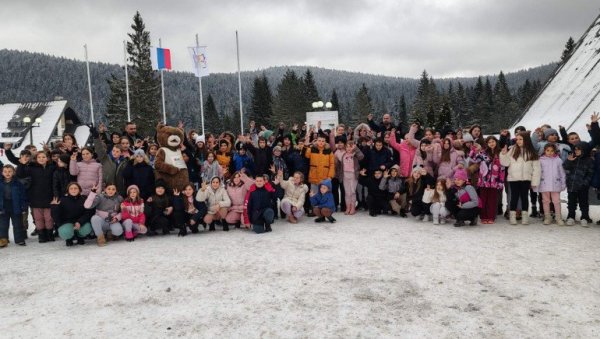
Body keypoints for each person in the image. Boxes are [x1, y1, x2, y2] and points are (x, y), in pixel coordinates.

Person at [500, 132, 541, 225]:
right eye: (517, 139)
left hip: (526, 179)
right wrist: (503, 154)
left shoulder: (531, 152)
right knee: (514, 197)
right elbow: (505, 163)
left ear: (526, 140)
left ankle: (525, 216)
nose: (518, 141)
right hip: (513, 179)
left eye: (520, 139)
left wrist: (534, 181)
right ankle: (512, 216)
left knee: (524, 197)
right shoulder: (512, 150)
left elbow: (536, 168)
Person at [17, 151, 55, 242]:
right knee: (38, 218)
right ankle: (41, 235)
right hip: (35, 197)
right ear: (36, 159)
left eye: (43, 157)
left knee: (49, 217)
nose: (41, 159)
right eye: (39, 157)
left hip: (49, 197)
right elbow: (20, 174)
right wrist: (21, 164)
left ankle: (49, 233)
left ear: (47, 158)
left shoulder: (52, 167)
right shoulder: (31, 168)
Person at [472, 136, 505, 224]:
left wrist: (501, 182)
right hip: (484, 180)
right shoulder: (483, 153)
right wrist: (474, 150)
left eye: (493, 141)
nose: (491, 143)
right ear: (487, 144)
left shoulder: (500, 153)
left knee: (492, 200)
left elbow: (502, 169)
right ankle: (483, 216)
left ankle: (490, 217)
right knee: (483, 199)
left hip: (495, 181)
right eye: (489, 142)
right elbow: (475, 159)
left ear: (496, 142)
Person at [563, 142, 594, 226]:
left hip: (583, 187)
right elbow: (565, 167)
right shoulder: (572, 158)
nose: (576, 151)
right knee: (571, 203)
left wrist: (585, 183)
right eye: (575, 149)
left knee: (583, 202)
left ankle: (584, 217)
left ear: (584, 150)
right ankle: (571, 217)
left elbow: (590, 173)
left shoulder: (589, 160)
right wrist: (569, 161)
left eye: (578, 149)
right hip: (571, 185)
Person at [538, 144, 566, 226]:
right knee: (545, 201)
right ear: (544, 151)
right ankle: (547, 217)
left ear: (555, 151)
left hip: (555, 184)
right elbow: (537, 172)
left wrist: (563, 184)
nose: (550, 152)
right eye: (548, 150)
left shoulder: (558, 160)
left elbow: (562, 173)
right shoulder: (540, 160)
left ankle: (558, 217)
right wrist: (536, 184)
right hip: (544, 184)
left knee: (556, 201)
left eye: (552, 151)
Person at [0, 165, 27, 247]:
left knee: (17, 224)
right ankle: (3, 240)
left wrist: (23, 206)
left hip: (16, 206)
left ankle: (19, 239)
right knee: (3, 225)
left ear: (13, 172)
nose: (7, 173)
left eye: (9, 171)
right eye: (5, 171)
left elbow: (23, 196)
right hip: (3, 207)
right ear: (2, 173)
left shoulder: (18, 183)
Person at [335, 140, 364, 215]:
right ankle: (348, 207)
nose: (348, 148)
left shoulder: (355, 154)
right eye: (347, 146)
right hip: (345, 175)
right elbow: (338, 164)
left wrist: (356, 149)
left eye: (350, 147)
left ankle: (353, 207)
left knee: (352, 192)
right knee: (347, 193)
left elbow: (361, 157)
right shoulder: (343, 155)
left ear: (353, 147)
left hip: (353, 175)